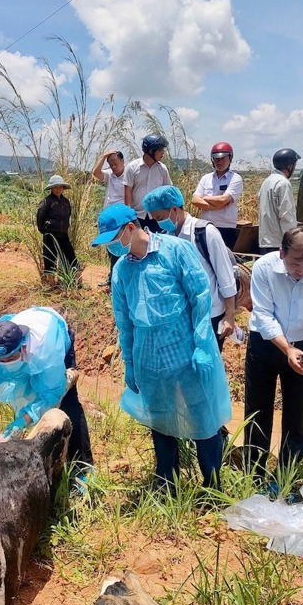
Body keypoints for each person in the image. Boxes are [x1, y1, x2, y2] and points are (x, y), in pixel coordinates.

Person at [92, 203, 232, 490]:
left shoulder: (174, 251)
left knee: (202, 416)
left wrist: (204, 345)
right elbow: (124, 322)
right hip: (148, 359)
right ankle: (167, 482)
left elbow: (200, 298)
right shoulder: (121, 271)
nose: (112, 248)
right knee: (160, 419)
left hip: (184, 352)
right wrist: (131, 364)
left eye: (113, 240)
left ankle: (213, 485)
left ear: (130, 228)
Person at [244, 227, 303, 481]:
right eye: (295, 263)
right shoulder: (264, 268)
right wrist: (287, 349)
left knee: (297, 412)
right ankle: (252, 472)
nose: (301, 270)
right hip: (265, 343)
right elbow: (262, 314)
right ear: (281, 253)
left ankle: (286, 475)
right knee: (258, 408)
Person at [0, 307, 93, 475]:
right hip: (25, 336)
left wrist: (23, 420)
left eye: (10, 358)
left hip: (56, 335)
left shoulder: (46, 353)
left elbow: (50, 394)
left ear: (22, 346)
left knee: (68, 403)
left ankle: (82, 468)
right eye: (0, 360)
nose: (5, 362)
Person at [142, 185, 241, 349]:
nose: (158, 223)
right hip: (183, 316)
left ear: (174, 209)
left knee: (208, 365)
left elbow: (225, 276)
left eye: (160, 217)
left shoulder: (205, 233)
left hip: (211, 314)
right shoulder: (166, 239)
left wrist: (230, 315)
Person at [191, 142, 244, 250]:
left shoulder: (235, 178)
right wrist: (217, 205)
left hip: (225, 227)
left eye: (223, 158)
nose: (219, 162)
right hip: (206, 226)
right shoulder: (206, 178)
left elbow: (223, 200)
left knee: (224, 262)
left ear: (230, 158)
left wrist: (205, 198)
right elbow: (195, 200)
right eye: (216, 159)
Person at [123, 134, 173, 232]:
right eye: (160, 150)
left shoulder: (162, 169)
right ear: (151, 151)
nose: (163, 153)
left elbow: (167, 191)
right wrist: (129, 215)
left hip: (157, 216)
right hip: (137, 216)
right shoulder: (132, 167)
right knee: (138, 246)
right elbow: (127, 192)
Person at [92, 149, 126, 287]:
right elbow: (95, 173)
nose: (113, 167)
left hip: (121, 217)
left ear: (123, 161)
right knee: (110, 249)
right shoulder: (110, 175)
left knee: (120, 249)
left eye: (115, 163)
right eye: (110, 164)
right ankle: (112, 277)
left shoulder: (129, 175)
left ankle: (117, 281)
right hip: (108, 216)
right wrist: (103, 156)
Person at [36, 174, 79, 279]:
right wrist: (44, 230)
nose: (58, 189)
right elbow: (40, 217)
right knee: (50, 258)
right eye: (55, 187)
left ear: (63, 188)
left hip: (63, 234)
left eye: (60, 187)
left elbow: (68, 216)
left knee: (70, 256)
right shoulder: (47, 201)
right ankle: (49, 283)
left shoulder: (66, 202)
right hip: (50, 234)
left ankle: (73, 280)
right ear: (51, 188)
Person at [257, 148, 300, 254]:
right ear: (290, 166)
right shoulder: (283, 183)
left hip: (265, 241)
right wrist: (291, 242)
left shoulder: (267, 181)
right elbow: (287, 215)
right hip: (279, 242)